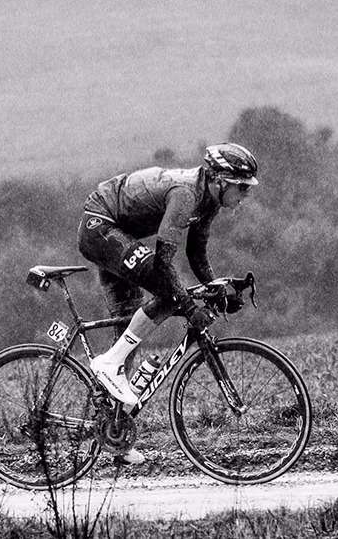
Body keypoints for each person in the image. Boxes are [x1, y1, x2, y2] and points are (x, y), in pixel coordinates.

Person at [77, 143, 258, 464]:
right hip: (100, 227)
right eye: (242, 187)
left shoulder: (208, 200)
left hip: (118, 232)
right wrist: (188, 306)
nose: (245, 195)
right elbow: (163, 261)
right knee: (167, 291)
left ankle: (116, 435)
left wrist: (216, 288)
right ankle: (107, 364)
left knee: (128, 326)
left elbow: (196, 254)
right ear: (220, 180)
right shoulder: (186, 195)